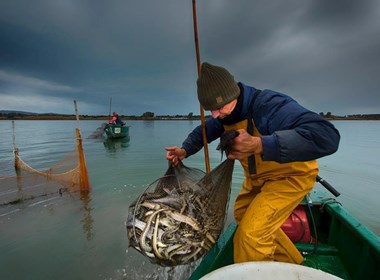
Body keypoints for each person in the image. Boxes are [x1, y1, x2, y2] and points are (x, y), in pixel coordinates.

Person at [165, 62, 340, 265]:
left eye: (219, 107)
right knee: (242, 214)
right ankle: (293, 264)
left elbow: (327, 136)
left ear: (233, 95)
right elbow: (205, 131)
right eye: (209, 109)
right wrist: (185, 150)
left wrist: (259, 144)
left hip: (290, 176)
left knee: (252, 236)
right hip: (257, 180)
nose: (215, 114)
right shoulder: (224, 114)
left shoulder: (270, 105)